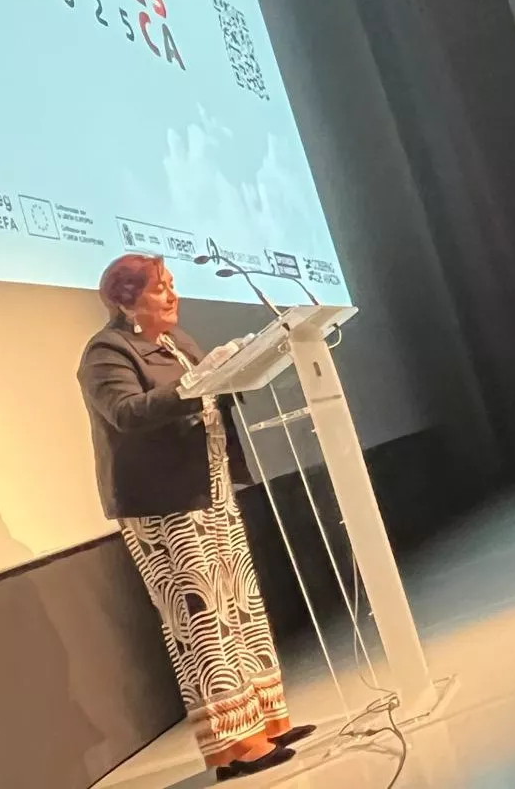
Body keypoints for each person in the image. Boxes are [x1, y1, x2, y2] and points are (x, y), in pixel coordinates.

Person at [76, 256, 311, 777]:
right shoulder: (106, 352)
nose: (171, 297)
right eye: (161, 289)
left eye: (172, 286)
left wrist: (233, 369)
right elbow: (126, 413)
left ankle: (266, 722)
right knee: (201, 622)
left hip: (210, 489)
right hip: (163, 507)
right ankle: (232, 746)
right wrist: (195, 384)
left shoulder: (176, 343)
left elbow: (213, 387)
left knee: (237, 605)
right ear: (126, 299)